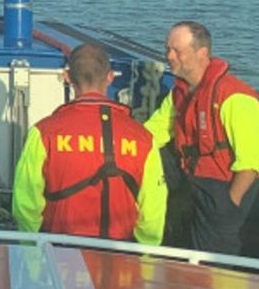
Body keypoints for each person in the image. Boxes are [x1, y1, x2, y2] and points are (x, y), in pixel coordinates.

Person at [12, 44, 166, 245]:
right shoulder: (143, 138)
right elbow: (153, 211)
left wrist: (31, 250)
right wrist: (144, 254)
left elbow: (25, 203)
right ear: (110, 77)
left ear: (67, 77)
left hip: (59, 255)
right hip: (122, 258)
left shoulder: (43, 133)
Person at [144, 21, 259, 254]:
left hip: (224, 187)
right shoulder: (180, 93)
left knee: (215, 262)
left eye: (177, 51)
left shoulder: (235, 98)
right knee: (151, 157)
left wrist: (230, 204)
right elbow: (151, 134)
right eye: (167, 49)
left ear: (202, 53)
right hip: (193, 180)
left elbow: (251, 163)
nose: (169, 56)